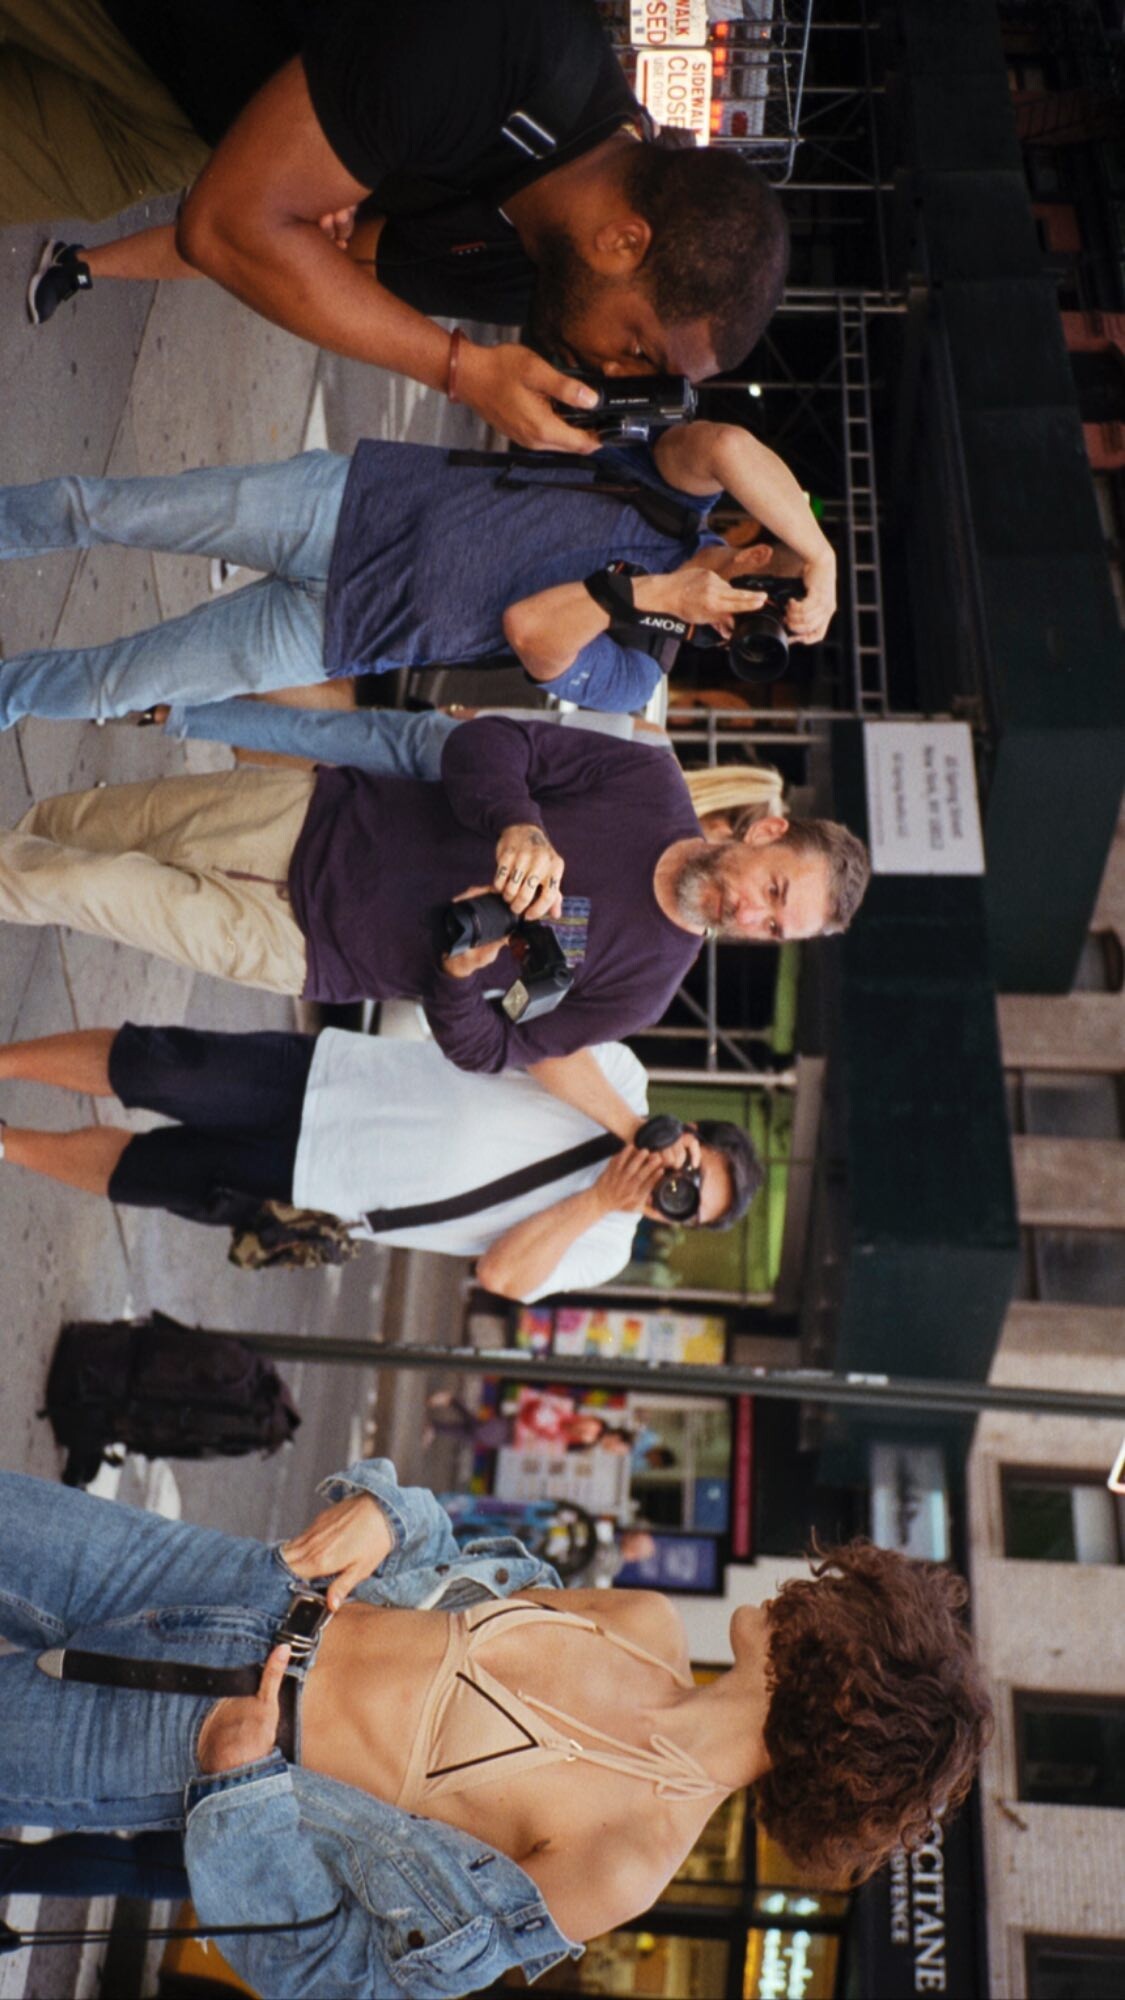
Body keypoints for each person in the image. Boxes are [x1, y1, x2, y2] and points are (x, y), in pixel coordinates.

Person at [0, 1456, 993, 1996]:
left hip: (187, 1743)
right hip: (223, 1583)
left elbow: (349, 1978)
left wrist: (241, 1800)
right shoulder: (644, 1622)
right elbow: (443, 1562)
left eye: (834, 1607)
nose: (801, 1588)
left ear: (838, 1689)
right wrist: (390, 1516)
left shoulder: (627, 1861)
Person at [12, 0, 788, 453]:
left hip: (181, 115)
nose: (617, 372)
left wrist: (319, 204)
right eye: (639, 349)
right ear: (623, 241)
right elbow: (226, 227)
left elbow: (328, 255)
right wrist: (460, 370)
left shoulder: (537, 270)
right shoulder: (512, 50)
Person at [0, 716, 872, 1081]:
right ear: (765, 832)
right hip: (308, 818)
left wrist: (456, 978)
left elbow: (495, 1050)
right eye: (772, 891)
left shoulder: (643, 987)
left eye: (772, 929)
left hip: (303, 945)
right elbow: (487, 744)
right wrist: (517, 824)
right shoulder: (648, 782)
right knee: (74, 828)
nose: (750, 918)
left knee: (75, 886)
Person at [0, 423, 836, 731]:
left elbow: (530, 634)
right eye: (762, 608)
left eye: (754, 637)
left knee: (116, 684)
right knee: (99, 509)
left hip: (340, 633)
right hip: (345, 506)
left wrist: (653, 596)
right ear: (755, 560)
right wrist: (822, 558)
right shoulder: (674, 497)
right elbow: (726, 446)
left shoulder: (639, 670)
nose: (738, 628)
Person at [0, 1024, 761, 1302]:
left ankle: (9, 1143)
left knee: (147, 1175)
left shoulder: (605, 1245)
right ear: (690, 1133)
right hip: (333, 1081)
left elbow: (502, 1276)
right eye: (692, 1170)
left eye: (687, 1205)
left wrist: (597, 1202)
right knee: (158, 1066)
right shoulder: (623, 1081)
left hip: (322, 1191)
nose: (674, 1189)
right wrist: (633, 1129)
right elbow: (541, 1047)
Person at [151, 699, 788, 833]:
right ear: (725, 825)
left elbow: (548, 730)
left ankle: (175, 713)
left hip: (461, 753)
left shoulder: (653, 749)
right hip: (459, 821)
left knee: (321, 736)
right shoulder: (660, 835)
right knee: (308, 798)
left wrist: (477, 716)